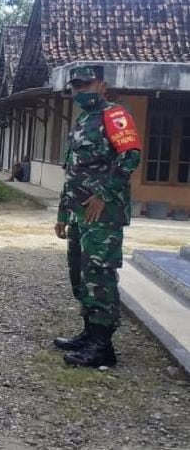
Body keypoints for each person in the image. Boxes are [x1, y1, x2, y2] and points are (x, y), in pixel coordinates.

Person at [53, 65, 142, 368]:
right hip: (79, 214)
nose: (80, 91)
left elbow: (131, 155)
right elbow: (73, 171)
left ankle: (103, 346)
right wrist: (64, 212)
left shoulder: (114, 115)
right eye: (76, 86)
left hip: (103, 213)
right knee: (80, 274)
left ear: (102, 86)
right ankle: (90, 334)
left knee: (99, 275)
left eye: (86, 85)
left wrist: (104, 194)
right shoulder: (82, 121)